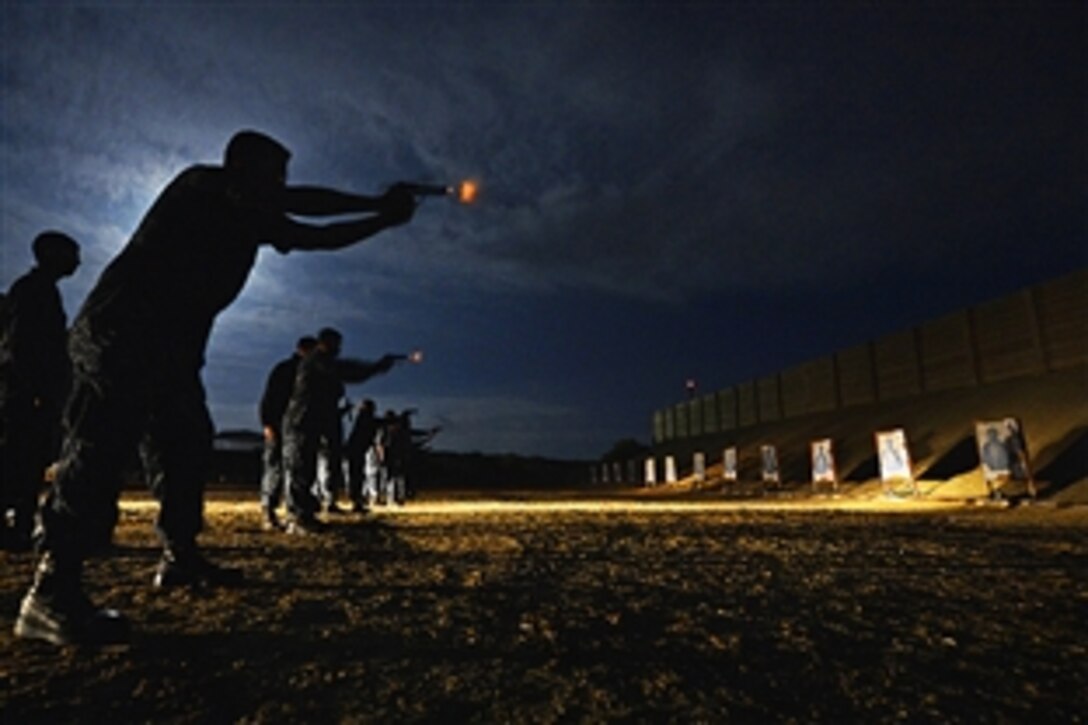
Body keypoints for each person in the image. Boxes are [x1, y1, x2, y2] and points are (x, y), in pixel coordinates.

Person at [14, 130, 416, 646]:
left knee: (185, 444)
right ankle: (50, 594)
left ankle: (180, 557)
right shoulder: (202, 185)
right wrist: (375, 204)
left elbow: (314, 234)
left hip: (170, 352)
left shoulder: (252, 217)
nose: (280, 185)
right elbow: (303, 207)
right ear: (243, 168)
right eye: (274, 174)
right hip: (119, 335)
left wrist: (381, 216)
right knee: (97, 453)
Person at [0, 232, 81, 551]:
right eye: (71, 253)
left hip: (30, 392)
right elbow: (20, 346)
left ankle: (21, 524)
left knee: (28, 460)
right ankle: (15, 526)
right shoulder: (33, 292)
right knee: (18, 459)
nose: (77, 261)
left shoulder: (40, 291)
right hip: (25, 393)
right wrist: (32, 389)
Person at [280, 327, 397, 533]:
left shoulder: (320, 362)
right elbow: (347, 371)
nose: (338, 350)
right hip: (303, 420)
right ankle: (297, 517)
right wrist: (376, 367)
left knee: (307, 468)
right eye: (335, 345)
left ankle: (304, 514)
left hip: (313, 421)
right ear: (323, 343)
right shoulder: (317, 361)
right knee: (301, 467)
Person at [258, 336, 317, 530]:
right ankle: (269, 510)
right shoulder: (287, 369)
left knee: (294, 469)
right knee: (276, 467)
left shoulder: (306, 370)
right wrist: (268, 423)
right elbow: (270, 397)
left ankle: (294, 512)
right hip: (280, 423)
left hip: (296, 426)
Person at [344, 398, 379, 512]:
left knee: (357, 476)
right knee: (356, 476)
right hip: (355, 452)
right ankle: (356, 502)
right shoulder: (365, 419)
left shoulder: (362, 418)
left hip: (355, 451)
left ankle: (357, 501)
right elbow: (377, 422)